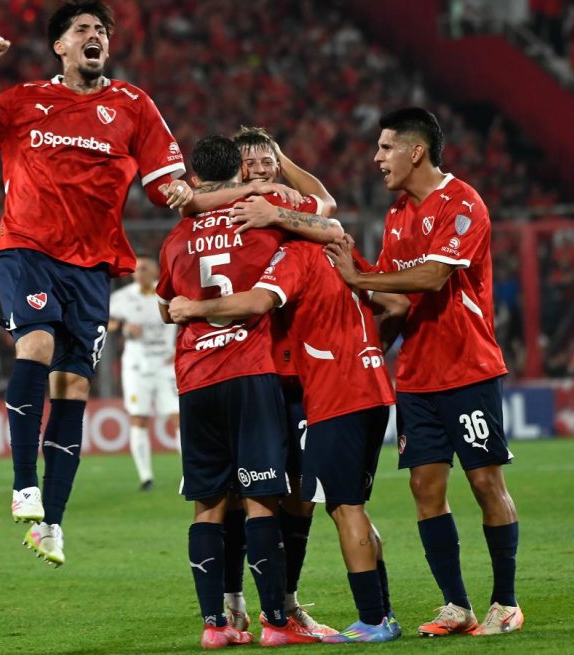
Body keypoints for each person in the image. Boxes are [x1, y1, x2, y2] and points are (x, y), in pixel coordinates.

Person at [0, 1, 194, 567]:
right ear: (61, 46)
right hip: (27, 248)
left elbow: (161, 180)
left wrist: (175, 192)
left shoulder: (132, 104)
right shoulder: (25, 100)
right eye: (83, 30)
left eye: (101, 30)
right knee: (37, 345)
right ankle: (24, 483)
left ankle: (51, 521)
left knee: (73, 388)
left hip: (93, 268)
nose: (94, 36)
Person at [327, 106, 523, 636]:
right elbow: (397, 299)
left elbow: (433, 277)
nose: (377, 158)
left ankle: (504, 602)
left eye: (386, 147)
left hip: (468, 368)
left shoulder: (463, 203)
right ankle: (456, 605)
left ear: (416, 151)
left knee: (485, 481)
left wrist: (360, 277)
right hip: (416, 377)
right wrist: (365, 341)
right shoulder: (396, 215)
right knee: (425, 487)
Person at [168, 233, 409, 643]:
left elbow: (259, 301)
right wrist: (367, 348)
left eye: (268, 164)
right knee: (327, 503)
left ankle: (303, 611)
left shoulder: (300, 251)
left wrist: (193, 308)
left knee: (316, 502)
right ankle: (244, 603)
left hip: (315, 390)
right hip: (343, 386)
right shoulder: (330, 247)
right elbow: (399, 303)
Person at [157, 135, 336, 649]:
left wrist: (190, 309)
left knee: (209, 502)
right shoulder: (267, 207)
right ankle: (276, 621)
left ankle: (216, 623)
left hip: (195, 378)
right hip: (252, 369)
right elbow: (327, 217)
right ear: (239, 171)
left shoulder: (176, 237)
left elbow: (164, 307)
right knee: (265, 498)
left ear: (192, 178)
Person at [217, 126, 338, 638]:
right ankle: (233, 598)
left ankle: (285, 601)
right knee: (239, 494)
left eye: (268, 157)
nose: (261, 166)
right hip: (247, 367)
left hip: (297, 372)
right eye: (251, 159)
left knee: (298, 494)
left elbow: (326, 206)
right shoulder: (224, 208)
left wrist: (283, 163)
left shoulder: (286, 201)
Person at [108, 255, 179, 491]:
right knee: (139, 418)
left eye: (145, 268)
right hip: (137, 366)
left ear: (155, 271)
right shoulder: (121, 298)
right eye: (136, 269)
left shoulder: (170, 291)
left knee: (178, 417)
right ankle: (146, 477)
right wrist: (124, 329)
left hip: (167, 364)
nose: (139, 273)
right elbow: (109, 323)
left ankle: (189, 473)